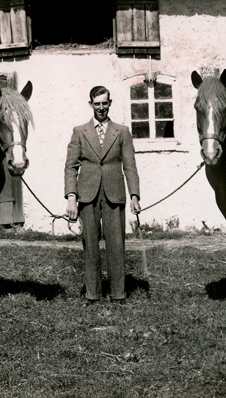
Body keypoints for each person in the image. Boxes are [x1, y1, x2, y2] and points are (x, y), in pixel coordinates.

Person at [64, 85, 141, 304]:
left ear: (110, 103)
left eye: (104, 103)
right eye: (96, 104)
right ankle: (92, 294)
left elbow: (130, 166)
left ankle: (118, 294)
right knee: (90, 245)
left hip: (114, 195)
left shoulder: (122, 132)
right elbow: (71, 167)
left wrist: (134, 195)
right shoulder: (80, 131)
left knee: (116, 245)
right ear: (91, 104)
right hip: (87, 195)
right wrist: (71, 197)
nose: (101, 108)